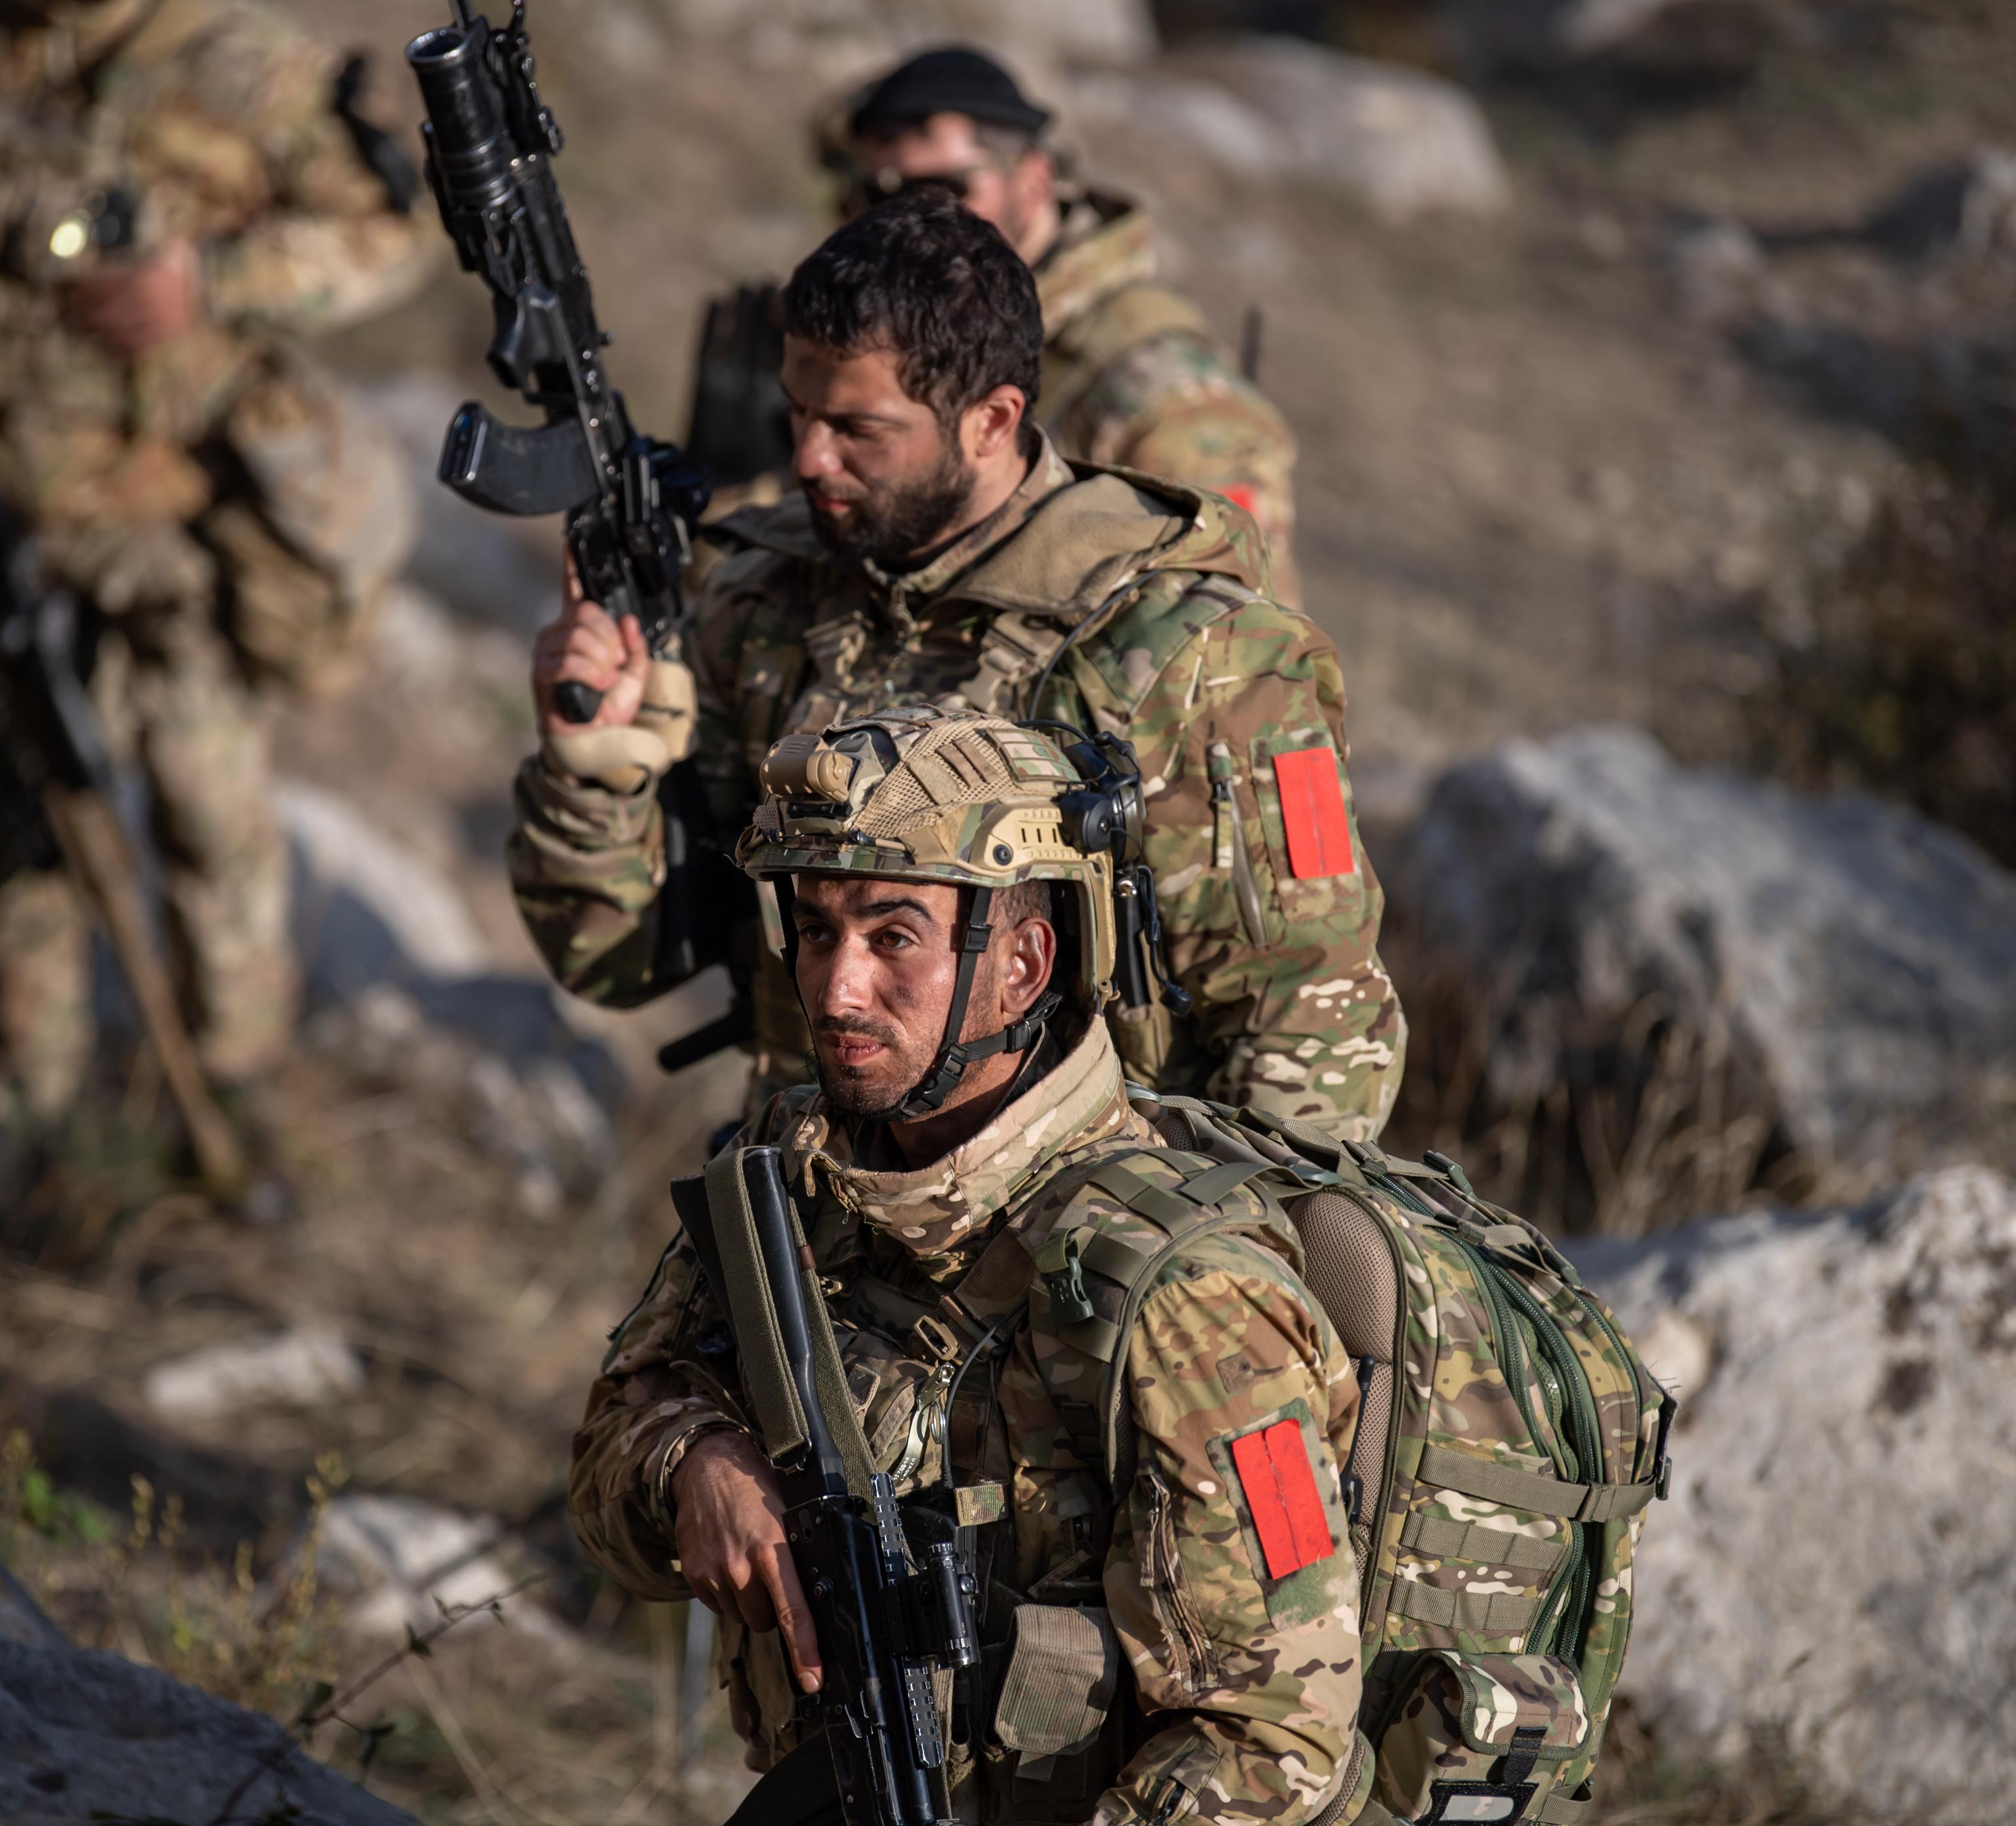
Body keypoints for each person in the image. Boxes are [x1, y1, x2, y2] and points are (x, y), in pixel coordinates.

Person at [570, 707, 1369, 1826]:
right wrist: (694, 1458)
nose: (836, 990)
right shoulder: (794, 1177)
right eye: (816, 931)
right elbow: (609, 1447)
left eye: (893, 937)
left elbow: (1276, 1738)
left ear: (1023, 964)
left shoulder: (1189, 1296)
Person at [513, 190, 1403, 1141]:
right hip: (808, 1196)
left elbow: (1313, 1035)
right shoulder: (762, 601)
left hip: (1081, 1214)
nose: (807, 458)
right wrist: (596, 773)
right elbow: (617, 961)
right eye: (798, 413)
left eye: (857, 428)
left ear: (991, 420)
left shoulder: (1195, 656)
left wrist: (1167, 1224)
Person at [0, 0, 437, 1127]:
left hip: (165, 513)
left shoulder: (234, 62)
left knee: (205, 798)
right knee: (8, 821)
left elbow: (390, 229)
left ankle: (236, 1096)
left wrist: (210, 283)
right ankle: (16, 1118)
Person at [829, 45, 1300, 603]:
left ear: (1033, 180)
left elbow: (1233, 631)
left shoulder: (1160, 385)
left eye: (948, 190)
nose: (913, 221)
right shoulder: (907, 338)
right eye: (882, 197)